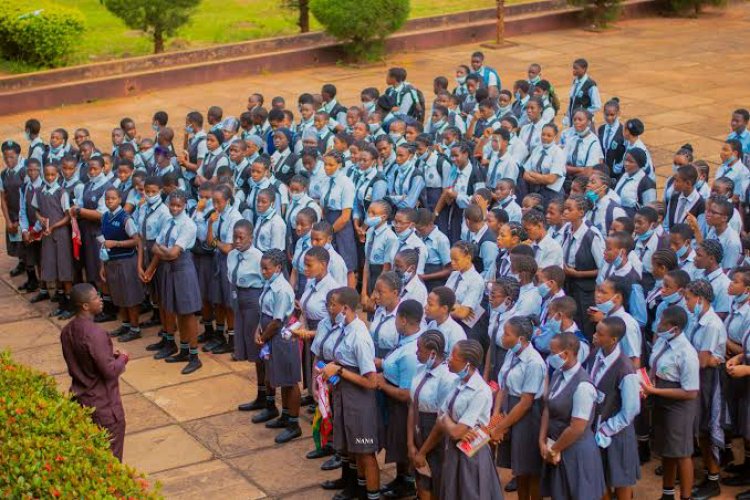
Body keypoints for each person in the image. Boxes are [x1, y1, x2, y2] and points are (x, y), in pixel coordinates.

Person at [320, 287, 381, 500]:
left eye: (333, 304)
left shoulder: (359, 335)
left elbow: (371, 381)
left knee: (365, 452)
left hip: (359, 401)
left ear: (344, 308)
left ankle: (371, 495)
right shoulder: (343, 328)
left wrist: (340, 371)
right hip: (343, 394)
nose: (329, 308)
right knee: (350, 446)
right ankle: (354, 486)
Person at [60, 283, 128, 461]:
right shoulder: (96, 333)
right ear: (85, 306)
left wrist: (107, 354)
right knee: (111, 461)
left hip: (81, 402)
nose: (100, 300)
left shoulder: (67, 331)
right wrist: (123, 358)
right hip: (104, 407)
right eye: (96, 298)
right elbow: (109, 371)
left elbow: (83, 359)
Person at [540, 332, 606, 499]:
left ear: (566, 354)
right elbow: (547, 407)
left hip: (577, 453)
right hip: (558, 448)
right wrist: (541, 441)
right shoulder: (557, 374)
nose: (550, 356)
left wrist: (553, 450)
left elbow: (576, 428)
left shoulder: (583, 386)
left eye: (553, 352)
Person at [143, 190, 203, 374]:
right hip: (170, 270)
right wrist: (162, 252)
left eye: (179, 205)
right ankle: (183, 349)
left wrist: (163, 250)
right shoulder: (168, 221)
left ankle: (194, 356)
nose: (175, 208)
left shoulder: (188, 225)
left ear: (185, 205)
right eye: (172, 205)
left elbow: (173, 253)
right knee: (176, 310)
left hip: (183, 270)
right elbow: (154, 246)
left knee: (188, 313)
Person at [642, 305, 698, 500]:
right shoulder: (662, 342)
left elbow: (690, 392)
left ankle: (686, 496)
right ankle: (667, 494)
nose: (658, 325)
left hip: (678, 407)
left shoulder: (686, 353)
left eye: (663, 322)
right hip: (661, 401)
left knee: (682, 453)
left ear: (675, 328)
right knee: (667, 450)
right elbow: (654, 366)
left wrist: (654, 390)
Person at [682, 279, 728, 499]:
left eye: (688, 298)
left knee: (708, 426)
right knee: (701, 427)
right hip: (700, 375)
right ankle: (709, 475)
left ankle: (713, 479)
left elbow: (702, 361)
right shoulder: (697, 318)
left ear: (699, 299)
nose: (686, 302)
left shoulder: (711, 324)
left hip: (708, 379)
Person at [492, 316, 545, 500]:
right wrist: (496, 415)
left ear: (521, 339)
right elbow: (503, 386)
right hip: (509, 411)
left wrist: (501, 427)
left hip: (527, 417)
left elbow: (526, 402)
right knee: (520, 470)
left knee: (531, 469)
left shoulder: (534, 363)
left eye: (507, 334)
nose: (502, 337)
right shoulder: (511, 353)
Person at [589, 316, 641, 499]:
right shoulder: (596, 354)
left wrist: (606, 430)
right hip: (596, 427)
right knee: (601, 477)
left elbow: (631, 409)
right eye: (596, 331)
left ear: (613, 339)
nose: (595, 336)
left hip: (616, 432)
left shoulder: (625, 369)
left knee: (621, 480)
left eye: (600, 334)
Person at [378, 300, 424, 499]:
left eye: (396, 317)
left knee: (405, 443)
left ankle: (409, 483)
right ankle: (401, 478)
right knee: (397, 443)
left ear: (404, 320)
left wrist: (381, 384)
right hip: (392, 398)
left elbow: (406, 393)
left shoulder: (411, 352)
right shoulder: (405, 340)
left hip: (402, 405)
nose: (394, 321)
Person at [255, 249, 301, 444]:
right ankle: (284, 414)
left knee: (289, 380)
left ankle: (294, 424)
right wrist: (258, 328)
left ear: (278, 268)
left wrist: (264, 337)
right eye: (262, 268)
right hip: (269, 334)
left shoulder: (281, 289)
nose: (263, 271)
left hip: (280, 337)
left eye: (266, 268)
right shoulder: (269, 284)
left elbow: (277, 320)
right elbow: (264, 311)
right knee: (279, 377)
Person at [409, 330, 457, 500]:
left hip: (435, 436)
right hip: (417, 428)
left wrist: (422, 451)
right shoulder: (420, 369)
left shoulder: (446, 378)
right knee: (421, 481)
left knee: (436, 481)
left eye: (419, 349)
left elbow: (441, 420)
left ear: (433, 353)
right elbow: (412, 405)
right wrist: (411, 444)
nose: (416, 352)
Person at [99, 188, 144, 342]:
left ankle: (135, 328)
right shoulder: (104, 217)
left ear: (119, 199)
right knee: (118, 295)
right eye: (107, 198)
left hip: (126, 261)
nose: (110, 201)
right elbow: (103, 243)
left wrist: (117, 243)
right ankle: (125, 324)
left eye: (113, 198)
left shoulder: (126, 218)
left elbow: (136, 240)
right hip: (111, 261)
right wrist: (102, 265)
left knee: (130, 295)